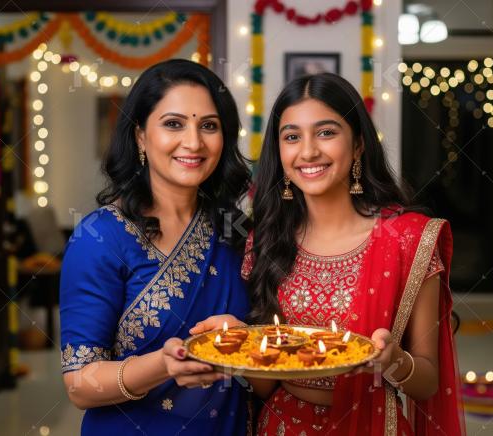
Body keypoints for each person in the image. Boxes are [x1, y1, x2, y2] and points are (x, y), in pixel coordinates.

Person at [242, 73, 465, 435]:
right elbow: (264, 386)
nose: (308, 151)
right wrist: (242, 342)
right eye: (292, 137)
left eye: (326, 132)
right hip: (281, 426)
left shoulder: (408, 239)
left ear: (359, 144)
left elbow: (427, 383)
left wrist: (393, 360)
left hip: (373, 424)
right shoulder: (266, 241)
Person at [59, 59, 253, 435]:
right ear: (140, 136)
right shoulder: (100, 237)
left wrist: (245, 339)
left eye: (209, 126)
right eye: (173, 124)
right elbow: (80, 384)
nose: (194, 142)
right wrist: (164, 365)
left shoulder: (236, 230)